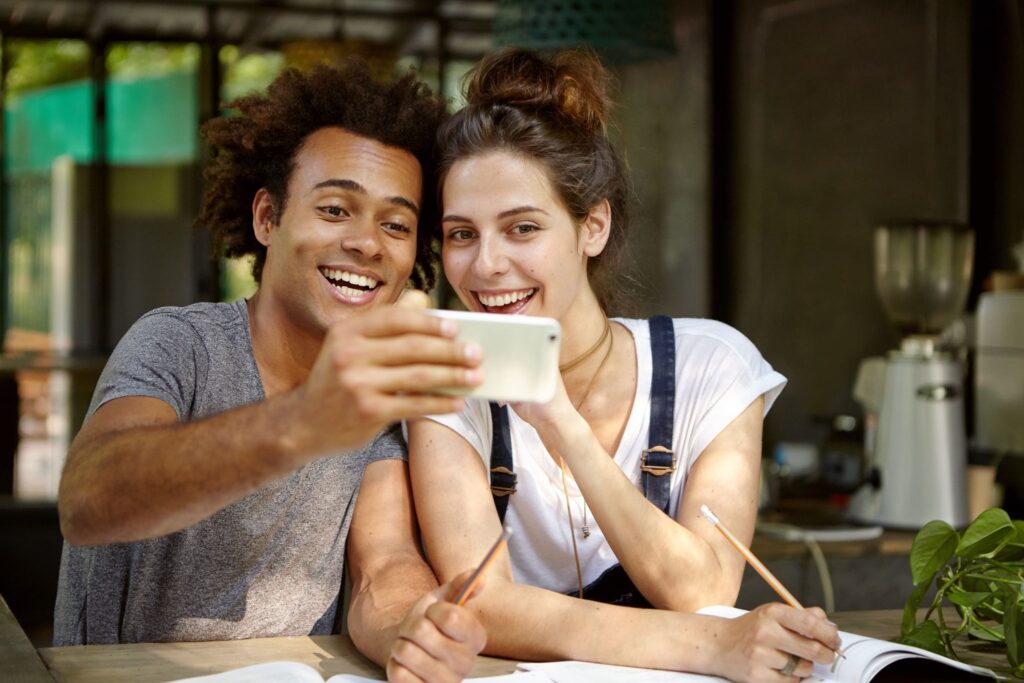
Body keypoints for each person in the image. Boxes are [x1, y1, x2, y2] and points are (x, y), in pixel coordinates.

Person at [407, 48, 841, 682]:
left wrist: (562, 425)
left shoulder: (710, 368)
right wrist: (711, 646)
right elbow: (482, 603)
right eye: (461, 234)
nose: (486, 265)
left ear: (594, 226)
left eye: (522, 228)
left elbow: (701, 592)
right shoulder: (442, 381)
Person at [54, 60, 487, 682]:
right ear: (267, 218)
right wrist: (303, 422)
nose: (367, 243)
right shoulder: (180, 343)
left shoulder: (381, 395)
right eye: (336, 209)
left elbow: (382, 564)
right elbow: (89, 501)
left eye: (395, 225)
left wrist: (412, 626)